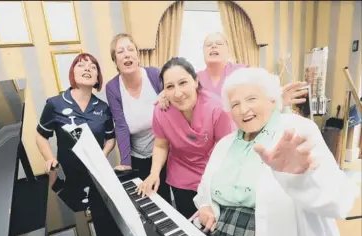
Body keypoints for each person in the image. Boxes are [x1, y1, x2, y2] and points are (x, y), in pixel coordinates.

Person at [190, 67, 360, 236]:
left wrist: (301, 177)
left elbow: (341, 202)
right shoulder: (226, 144)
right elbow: (206, 188)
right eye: (236, 103)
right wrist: (206, 205)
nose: (244, 109)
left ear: (272, 99)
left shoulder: (297, 130)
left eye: (252, 98)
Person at [137, 57, 236, 218]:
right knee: (188, 224)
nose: (177, 93)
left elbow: (226, 150)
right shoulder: (161, 111)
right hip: (181, 175)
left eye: (183, 83)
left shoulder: (216, 109)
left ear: (195, 82)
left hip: (212, 175)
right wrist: (154, 173)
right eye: (170, 86)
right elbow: (161, 145)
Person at [36, 52, 115, 212]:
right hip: (67, 177)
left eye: (93, 67)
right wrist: (50, 159)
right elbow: (40, 136)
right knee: (74, 222)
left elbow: (111, 138)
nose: (87, 68)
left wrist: (102, 156)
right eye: (81, 65)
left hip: (97, 176)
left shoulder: (103, 107)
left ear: (97, 78)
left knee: (101, 217)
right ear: (72, 73)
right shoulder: (54, 104)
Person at [158, 32, 308, 110]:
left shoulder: (243, 72)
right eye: (208, 45)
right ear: (203, 52)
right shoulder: (195, 79)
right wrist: (164, 95)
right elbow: (178, 93)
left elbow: (264, 93)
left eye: (219, 44)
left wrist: (277, 98)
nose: (213, 47)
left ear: (228, 51)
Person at [105, 33, 171, 203]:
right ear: (115, 61)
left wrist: (166, 94)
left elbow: (173, 101)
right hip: (138, 156)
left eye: (130, 49)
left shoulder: (154, 74)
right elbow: (120, 126)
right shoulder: (113, 87)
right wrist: (126, 163)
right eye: (120, 52)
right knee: (146, 202)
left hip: (166, 151)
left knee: (167, 202)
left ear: (137, 55)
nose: (126, 54)